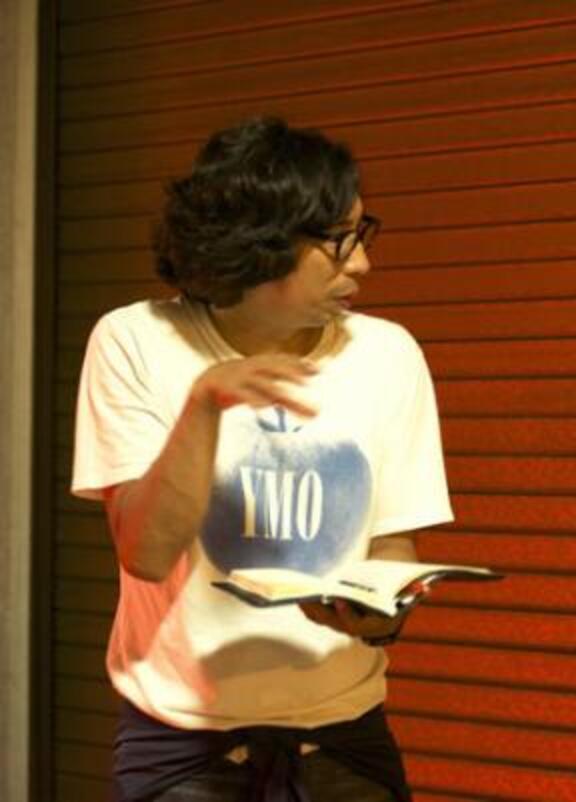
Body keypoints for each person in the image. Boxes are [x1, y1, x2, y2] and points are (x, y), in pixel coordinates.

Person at [71, 117, 453, 802]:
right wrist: (204, 405)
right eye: (339, 241)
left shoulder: (387, 353)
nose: (361, 264)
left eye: (362, 235)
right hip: (185, 747)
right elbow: (146, 552)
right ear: (262, 245)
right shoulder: (135, 340)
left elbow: (393, 544)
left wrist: (381, 615)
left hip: (345, 740)